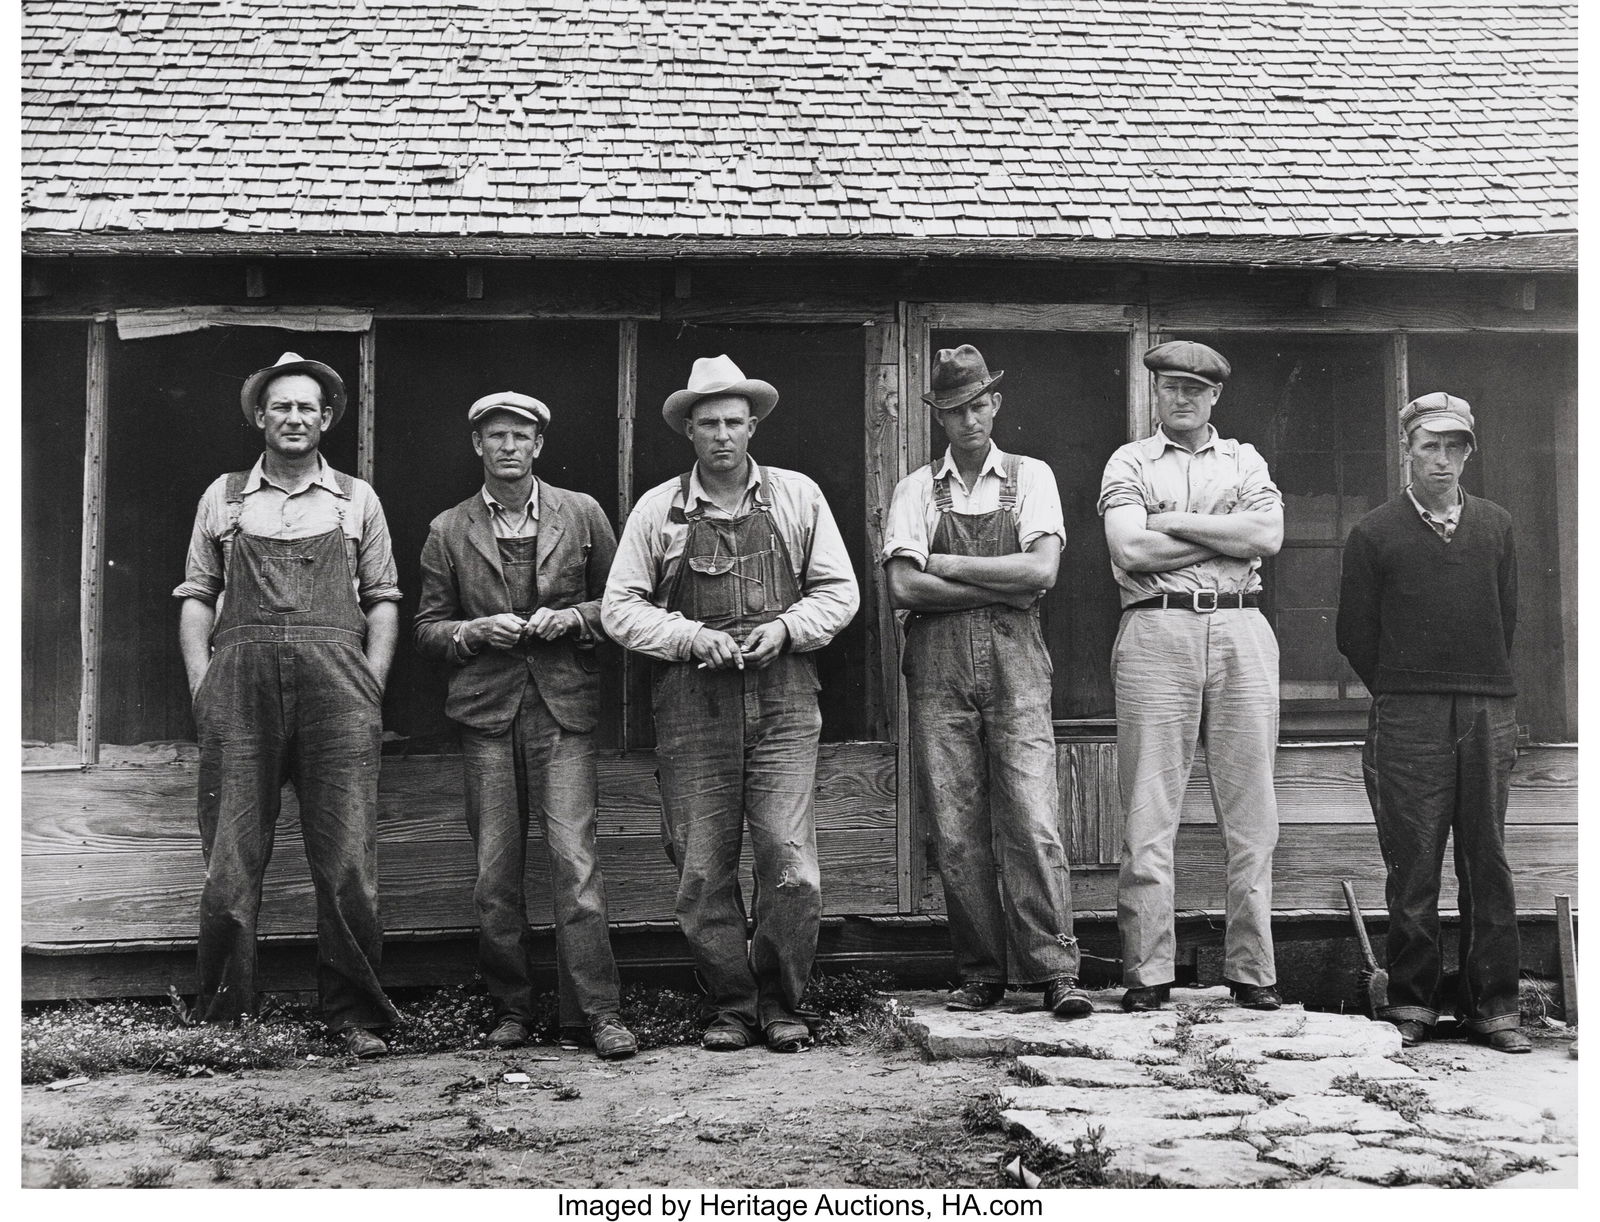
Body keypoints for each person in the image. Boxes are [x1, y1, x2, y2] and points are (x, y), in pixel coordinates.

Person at [602, 355, 859, 1053]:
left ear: (752, 427)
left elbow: (840, 592)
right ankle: (733, 1006)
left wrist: (788, 629)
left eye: (734, 422)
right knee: (701, 868)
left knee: (790, 864)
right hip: (694, 706)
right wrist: (689, 637)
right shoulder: (660, 510)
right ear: (689, 430)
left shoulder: (797, 497)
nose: (722, 435)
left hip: (783, 702)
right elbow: (619, 608)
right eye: (709, 423)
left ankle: (781, 1003)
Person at [175, 352, 401, 1057]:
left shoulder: (356, 499)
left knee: (347, 861)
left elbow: (384, 600)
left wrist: (370, 684)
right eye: (281, 406)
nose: (294, 418)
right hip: (239, 696)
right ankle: (226, 1022)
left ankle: (355, 1015)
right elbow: (197, 598)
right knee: (230, 861)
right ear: (260, 417)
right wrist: (204, 685)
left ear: (326, 418)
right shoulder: (224, 498)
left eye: (307, 407)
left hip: (339, 697)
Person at [414, 392, 636, 1060]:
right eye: (496, 436)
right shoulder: (448, 528)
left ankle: (595, 1013)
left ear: (539, 445)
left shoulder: (582, 513)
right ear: (477, 445)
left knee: (575, 861)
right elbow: (427, 629)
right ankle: (511, 1008)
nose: (508, 447)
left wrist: (572, 618)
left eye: (520, 436)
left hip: (562, 708)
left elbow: (623, 603)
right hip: (486, 711)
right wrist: (475, 631)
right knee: (494, 871)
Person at [883, 344, 1091, 1019]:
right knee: (955, 823)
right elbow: (903, 585)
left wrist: (944, 564)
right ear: (939, 418)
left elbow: (1042, 573)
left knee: (1032, 816)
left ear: (995, 404)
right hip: (938, 669)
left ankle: (1055, 971)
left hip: (1016, 662)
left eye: (978, 405)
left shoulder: (1032, 476)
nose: (968, 420)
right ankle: (982, 972)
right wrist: (1001, 584)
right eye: (954, 410)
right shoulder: (915, 489)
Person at [1336, 393, 1528, 1053]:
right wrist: (1403, 689)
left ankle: (1492, 1008)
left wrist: (1475, 684)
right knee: (1414, 860)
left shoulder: (1496, 525)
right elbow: (1354, 634)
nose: (1442, 460)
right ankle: (1412, 1003)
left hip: (1486, 707)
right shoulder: (1374, 533)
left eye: (1454, 447)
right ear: (1408, 451)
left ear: (1468, 452)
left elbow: (1506, 618)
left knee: (1487, 858)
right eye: (1429, 446)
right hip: (1408, 713)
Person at [1097, 340, 1284, 1013]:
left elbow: (1267, 538)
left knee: (1253, 812)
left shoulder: (1244, 459)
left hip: (1241, 626)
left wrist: (1172, 522)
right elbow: (1130, 547)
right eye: (1171, 387)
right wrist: (1222, 529)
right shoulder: (1130, 461)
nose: (1181, 398)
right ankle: (1148, 972)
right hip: (1157, 628)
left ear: (1215, 396)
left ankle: (1253, 970)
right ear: (1157, 392)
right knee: (1149, 811)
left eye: (1194, 389)